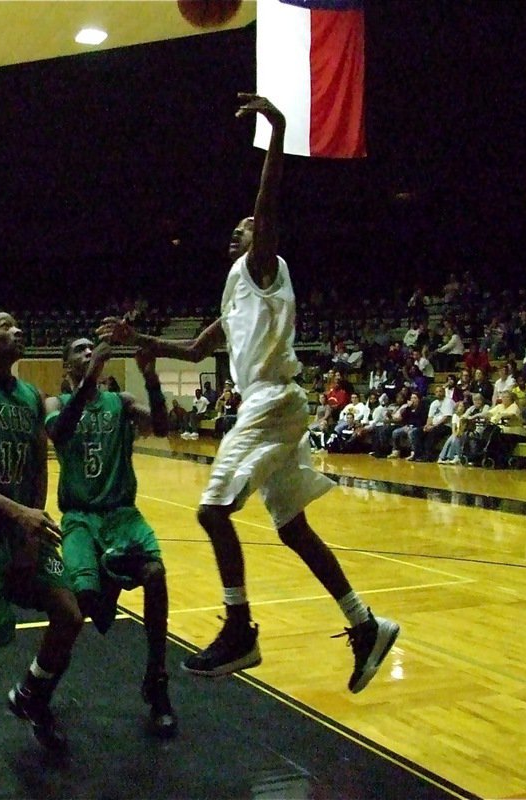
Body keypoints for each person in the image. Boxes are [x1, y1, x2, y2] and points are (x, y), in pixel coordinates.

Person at [97, 95, 399, 693]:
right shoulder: (235, 289)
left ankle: (240, 629)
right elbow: (194, 351)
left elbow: (269, 200)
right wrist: (143, 340)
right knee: (292, 528)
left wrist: (278, 130)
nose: (240, 228)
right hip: (274, 402)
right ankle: (365, 624)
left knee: (211, 511)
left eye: (248, 224)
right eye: (238, 227)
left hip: (271, 400)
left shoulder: (265, 266)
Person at [0, 310, 83, 800]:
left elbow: (41, 467)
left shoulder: (30, 397)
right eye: (6, 326)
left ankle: (31, 694)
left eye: (20, 325)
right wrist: (17, 514)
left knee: (68, 612)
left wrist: (35, 517)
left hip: (25, 527)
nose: (18, 330)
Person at [46, 337, 176, 737]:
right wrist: (89, 380)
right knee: (81, 605)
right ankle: (41, 688)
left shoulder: (120, 401)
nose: (89, 353)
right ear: (67, 364)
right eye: (81, 350)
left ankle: (157, 682)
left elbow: (163, 426)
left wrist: (152, 380)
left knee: (156, 575)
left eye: (93, 349)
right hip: (81, 518)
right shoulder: (55, 404)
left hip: (122, 514)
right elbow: (60, 434)